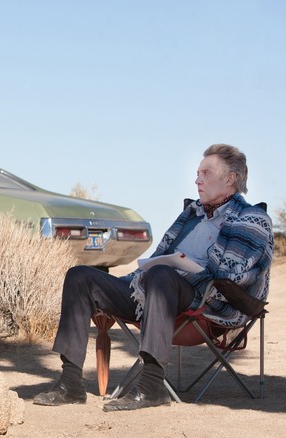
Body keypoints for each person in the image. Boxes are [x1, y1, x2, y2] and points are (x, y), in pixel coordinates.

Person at [34, 144, 273, 411]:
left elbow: (235, 275)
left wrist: (179, 269)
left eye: (206, 173)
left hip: (205, 303)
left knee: (162, 273)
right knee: (80, 276)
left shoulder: (251, 218)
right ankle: (70, 384)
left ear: (230, 179)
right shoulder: (191, 215)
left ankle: (151, 387)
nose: (197, 179)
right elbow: (161, 256)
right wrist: (161, 268)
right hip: (154, 291)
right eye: (197, 173)